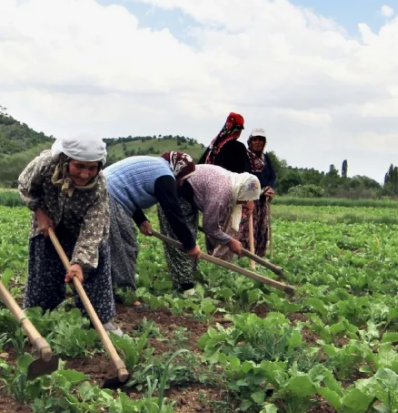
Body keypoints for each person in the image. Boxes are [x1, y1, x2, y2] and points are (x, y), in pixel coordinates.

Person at [18, 135, 123, 335]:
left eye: (92, 168)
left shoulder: (99, 187)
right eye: (79, 166)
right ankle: (37, 316)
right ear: (66, 161)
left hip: (82, 227)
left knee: (94, 271)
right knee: (44, 268)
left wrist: (79, 263)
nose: (85, 174)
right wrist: (40, 213)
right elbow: (25, 185)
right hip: (48, 218)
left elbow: (92, 229)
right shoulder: (46, 165)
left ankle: (100, 320)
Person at [105, 152, 203, 299]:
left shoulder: (157, 167)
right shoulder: (165, 177)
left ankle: (107, 289)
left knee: (106, 246)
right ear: (177, 170)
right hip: (108, 197)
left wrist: (141, 220)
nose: (181, 183)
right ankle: (125, 295)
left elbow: (128, 188)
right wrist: (190, 244)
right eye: (182, 178)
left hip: (106, 191)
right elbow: (174, 214)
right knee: (125, 246)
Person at [183, 164, 260, 261]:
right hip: (178, 194)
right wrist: (229, 241)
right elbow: (209, 227)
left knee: (189, 241)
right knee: (183, 247)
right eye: (244, 199)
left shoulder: (233, 182)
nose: (243, 203)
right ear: (241, 191)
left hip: (188, 194)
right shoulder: (221, 193)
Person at [239, 127, 277, 257]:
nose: (258, 142)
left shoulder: (266, 158)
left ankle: (259, 256)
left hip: (263, 198)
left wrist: (270, 188)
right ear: (250, 141)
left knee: (262, 228)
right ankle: (246, 256)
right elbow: (245, 176)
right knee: (248, 228)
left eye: (260, 140)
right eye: (255, 139)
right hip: (249, 197)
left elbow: (272, 176)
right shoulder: (245, 156)